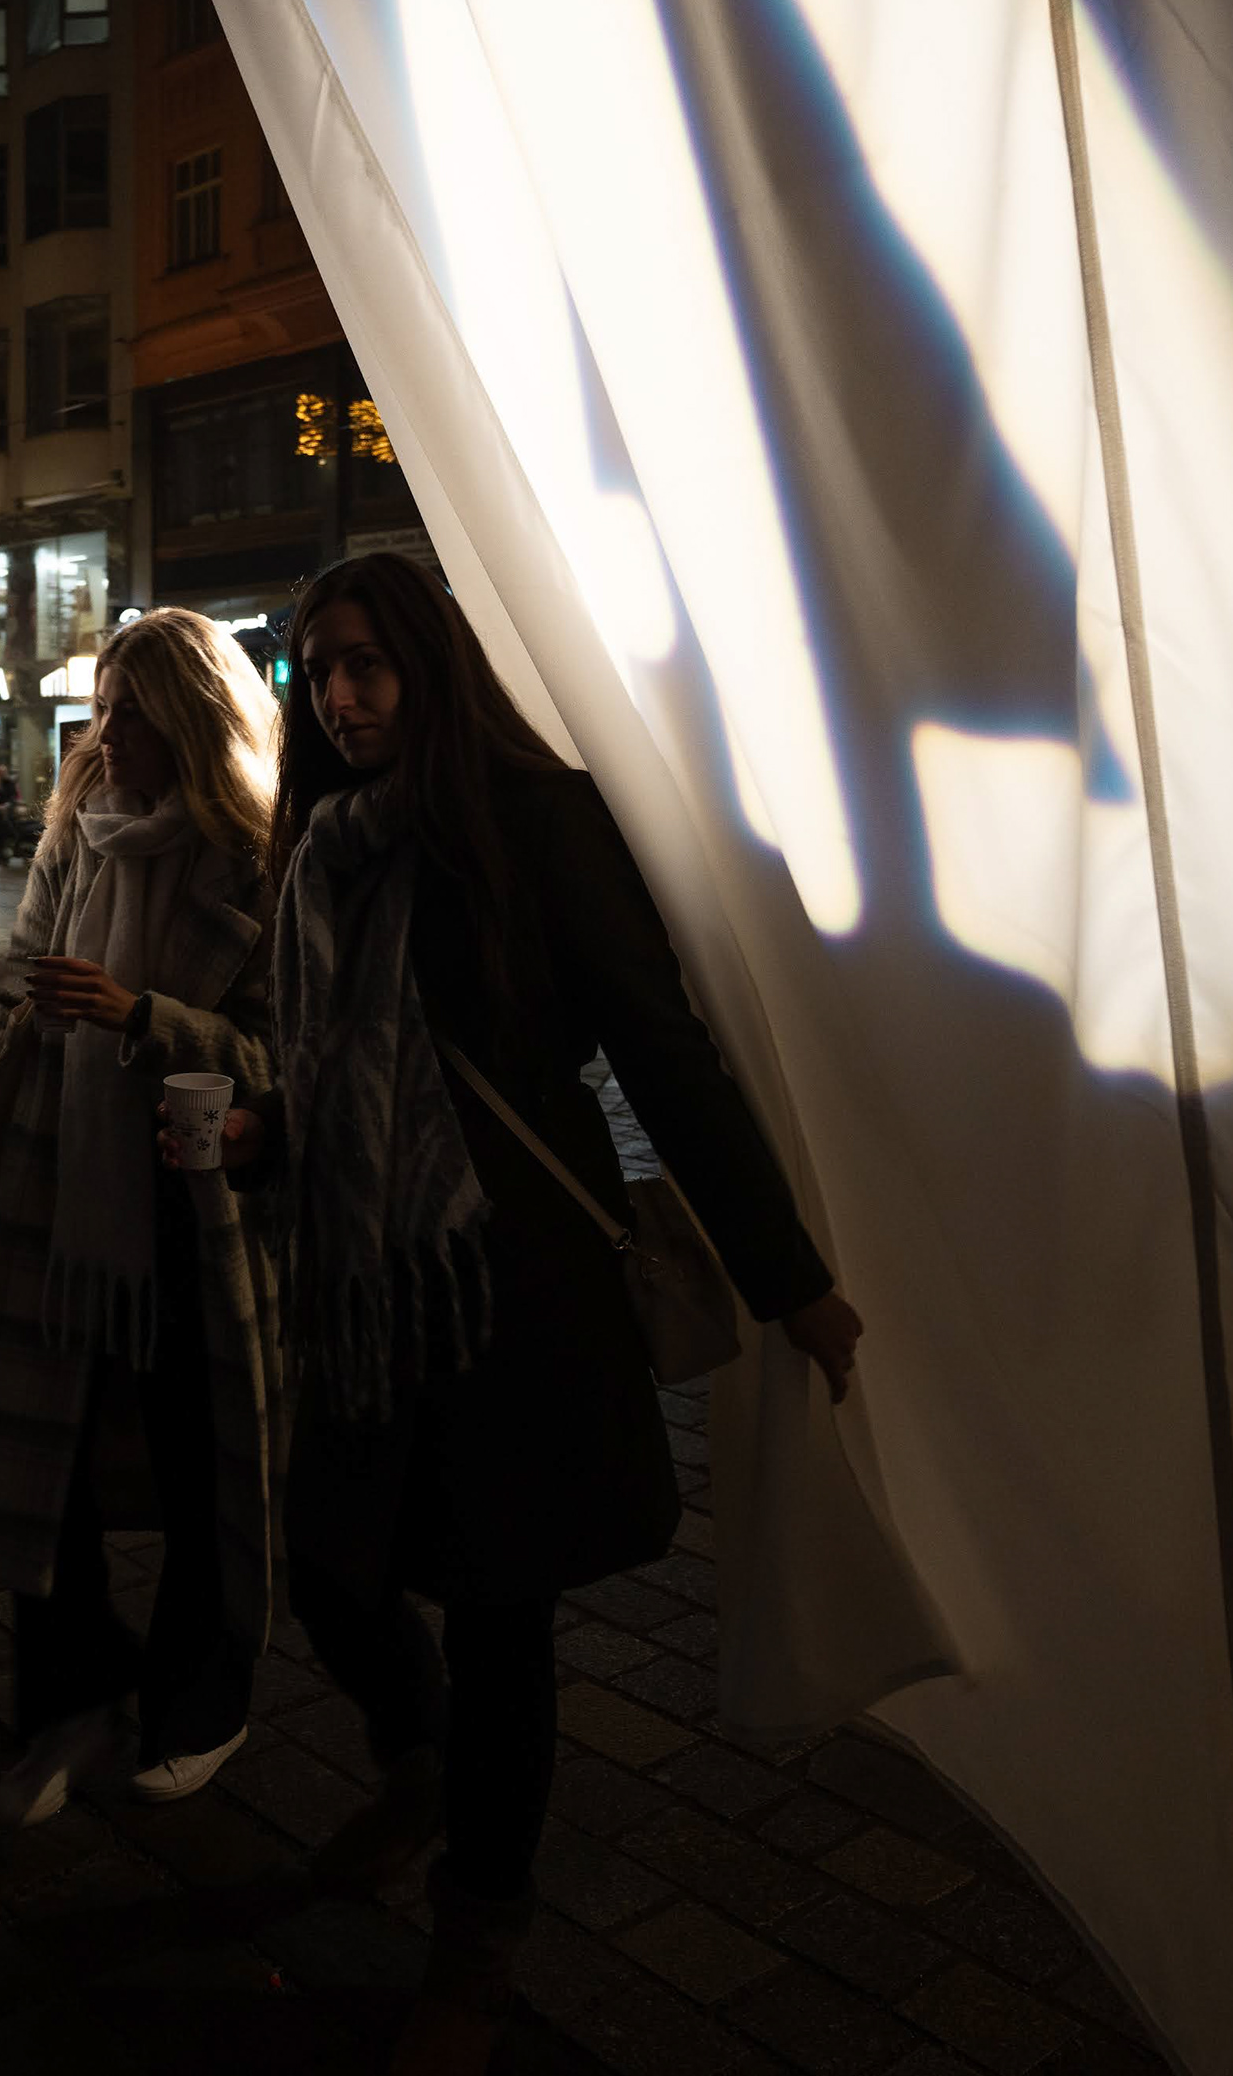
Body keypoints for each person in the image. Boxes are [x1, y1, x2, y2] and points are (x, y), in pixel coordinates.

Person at [222, 555, 863, 2074]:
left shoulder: (535, 820)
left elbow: (659, 1048)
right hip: (368, 1290)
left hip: (514, 1293)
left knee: (503, 1620)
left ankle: (478, 1941)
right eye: (319, 669)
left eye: (369, 664)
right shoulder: (321, 843)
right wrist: (269, 1131)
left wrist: (790, 1277)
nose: (342, 696)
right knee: (334, 1566)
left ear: (434, 668)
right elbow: (324, 1061)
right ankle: (419, 1768)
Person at [0, 609, 285, 1826]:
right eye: (104, 708)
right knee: (48, 1467)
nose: (108, 734)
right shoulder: (77, 833)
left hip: (193, 1213)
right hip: (63, 1204)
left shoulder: (258, 859)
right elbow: (17, 988)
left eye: (134, 711)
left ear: (197, 720)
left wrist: (141, 1015)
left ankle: (203, 1697)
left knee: (206, 1465)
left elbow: (280, 1053)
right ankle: (70, 1700)